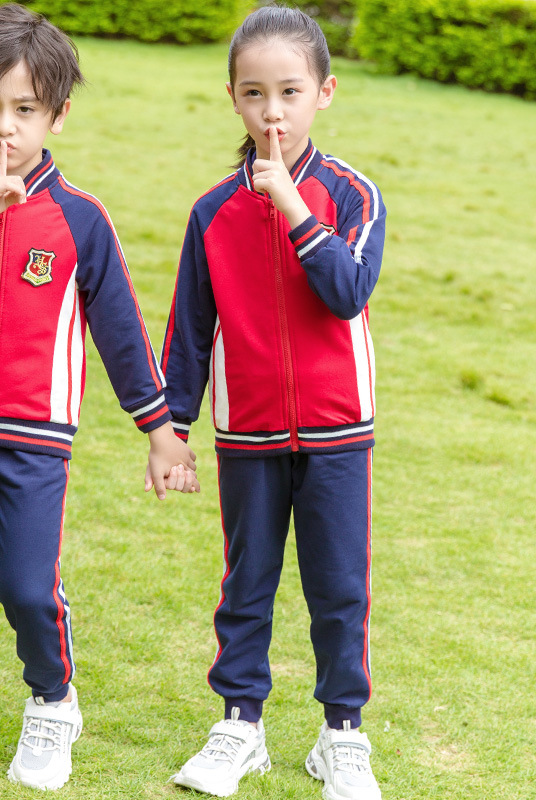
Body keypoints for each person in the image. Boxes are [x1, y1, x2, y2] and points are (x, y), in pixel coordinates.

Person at [0, 4, 198, 794]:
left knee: (24, 584)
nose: (4, 130)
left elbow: (121, 333)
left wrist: (160, 430)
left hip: (34, 437)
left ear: (57, 113)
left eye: (23, 111)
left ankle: (54, 703)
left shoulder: (80, 219)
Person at [159, 5, 386, 799]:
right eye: (254, 94)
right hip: (247, 433)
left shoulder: (353, 196)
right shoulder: (212, 212)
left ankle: (341, 735)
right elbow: (189, 328)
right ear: (233, 98)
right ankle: (239, 725)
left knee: (338, 587)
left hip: (336, 433)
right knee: (246, 582)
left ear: (324, 92)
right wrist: (171, 429)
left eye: (289, 92)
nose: (273, 112)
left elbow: (347, 290)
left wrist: (292, 205)